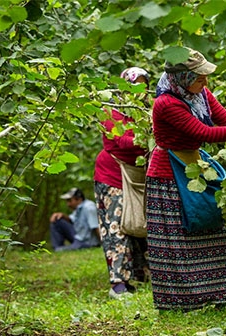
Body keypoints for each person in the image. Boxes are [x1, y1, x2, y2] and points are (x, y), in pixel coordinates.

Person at [145, 48, 226, 311]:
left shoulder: (201, 95)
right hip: (168, 174)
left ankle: (215, 295)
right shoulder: (166, 103)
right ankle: (182, 301)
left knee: (209, 227)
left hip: (196, 167)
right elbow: (205, 132)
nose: (205, 81)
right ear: (182, 77)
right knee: (180, 236)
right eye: (199, 76)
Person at [94, 67, 151, 298]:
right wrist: (150, 136)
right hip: (112, 176)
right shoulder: (111, 112)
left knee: (140, 224)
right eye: (135, 86)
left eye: (144, 86)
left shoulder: (145, 111)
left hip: (138, 177)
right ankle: (118, 285)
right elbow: (123, 141)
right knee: (117, 227)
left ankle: (142, 276)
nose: (140, 91)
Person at [49, 187, 101, 251]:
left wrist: (103, 245)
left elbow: (96, 227)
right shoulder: (79, 208)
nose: (68, 204)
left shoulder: (89, 208)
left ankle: (58, 249)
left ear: (79, 199)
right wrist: (62, 215)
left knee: (60, 250)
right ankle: (57, 248)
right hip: (78, 237)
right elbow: (71, 220)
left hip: (86, 242)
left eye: (70, 201)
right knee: (57, 221)